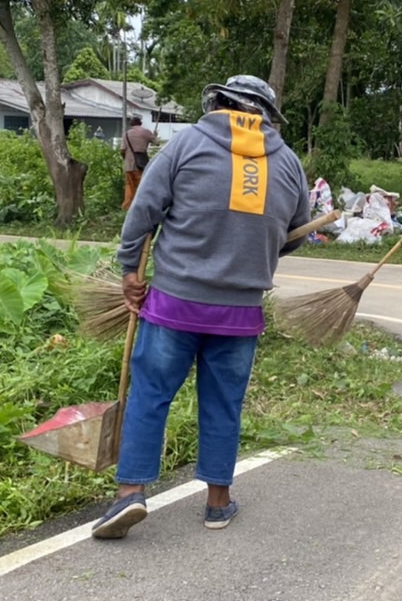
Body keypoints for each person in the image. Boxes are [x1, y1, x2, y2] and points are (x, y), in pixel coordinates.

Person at [92, 75, 309, 539]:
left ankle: (129, 494)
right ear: (265, 115)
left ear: (218, 103)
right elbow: (298, 231)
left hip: (176, 304)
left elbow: (144, 211)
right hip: (241, 313)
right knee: (223, 405)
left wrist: (130, 270)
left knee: (150, 395)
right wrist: (254, 254)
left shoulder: (187, 143)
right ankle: (217, 503)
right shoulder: (289, 163)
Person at [121, 114, 160, 210]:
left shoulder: (126, 134)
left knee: (129, 185)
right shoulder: (145, 132)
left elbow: (122, 150)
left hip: (129, 165)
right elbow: (157, 143)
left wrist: (125, 159)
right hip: (141, 165)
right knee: (142, 186)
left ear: (131, 124)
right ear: (141, 123)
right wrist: (155, 136)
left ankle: (127, 207)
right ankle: (141, 206)